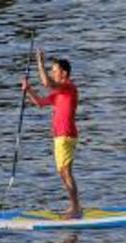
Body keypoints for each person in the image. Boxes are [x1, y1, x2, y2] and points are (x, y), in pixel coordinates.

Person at [22, 49, 81, 219]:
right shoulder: (59, 92)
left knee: (66, 171)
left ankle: (76, 208)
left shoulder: (68, 87)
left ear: (63, 73)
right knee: (62, 172)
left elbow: (47, 83)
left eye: (54, 70)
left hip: (66, 135)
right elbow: (40, 103)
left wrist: (39, 62)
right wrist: (28, 90)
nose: (51, 73)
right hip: (59, 137)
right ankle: (75, 207)